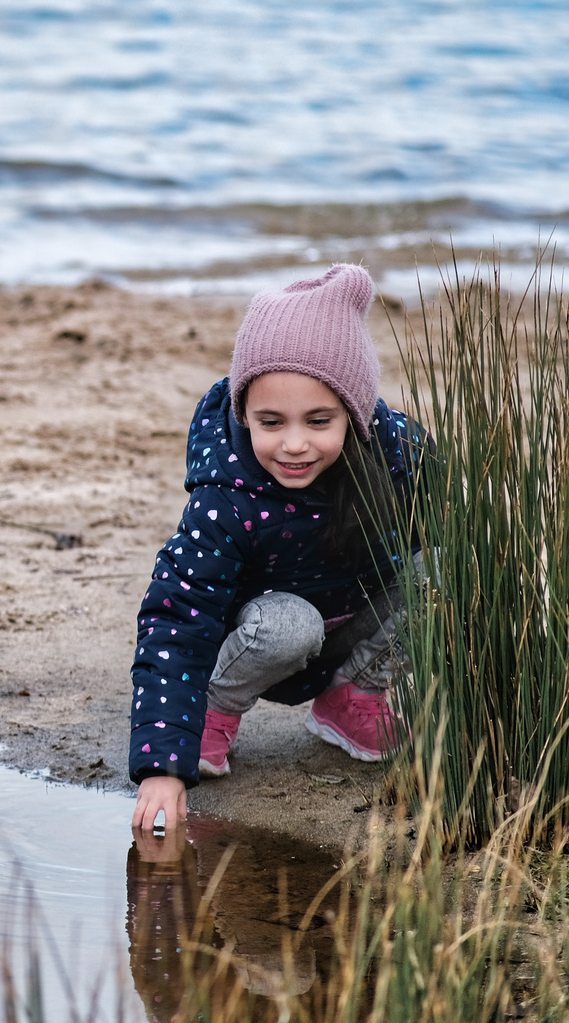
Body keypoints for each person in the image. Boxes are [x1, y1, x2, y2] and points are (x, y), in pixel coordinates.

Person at [128, 264, 427, 836]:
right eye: (271, 421)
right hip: (265, 633)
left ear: (356, 414)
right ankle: (216, 708)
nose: (294, 444)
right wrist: (164, 763)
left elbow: (461, 532)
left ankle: (351, 697)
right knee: (291, 623)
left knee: (441, 569)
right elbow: (178, 614)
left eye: (319, 420)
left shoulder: (396, 455)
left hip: (348, 623)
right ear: (243, 414)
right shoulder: (226, 495)